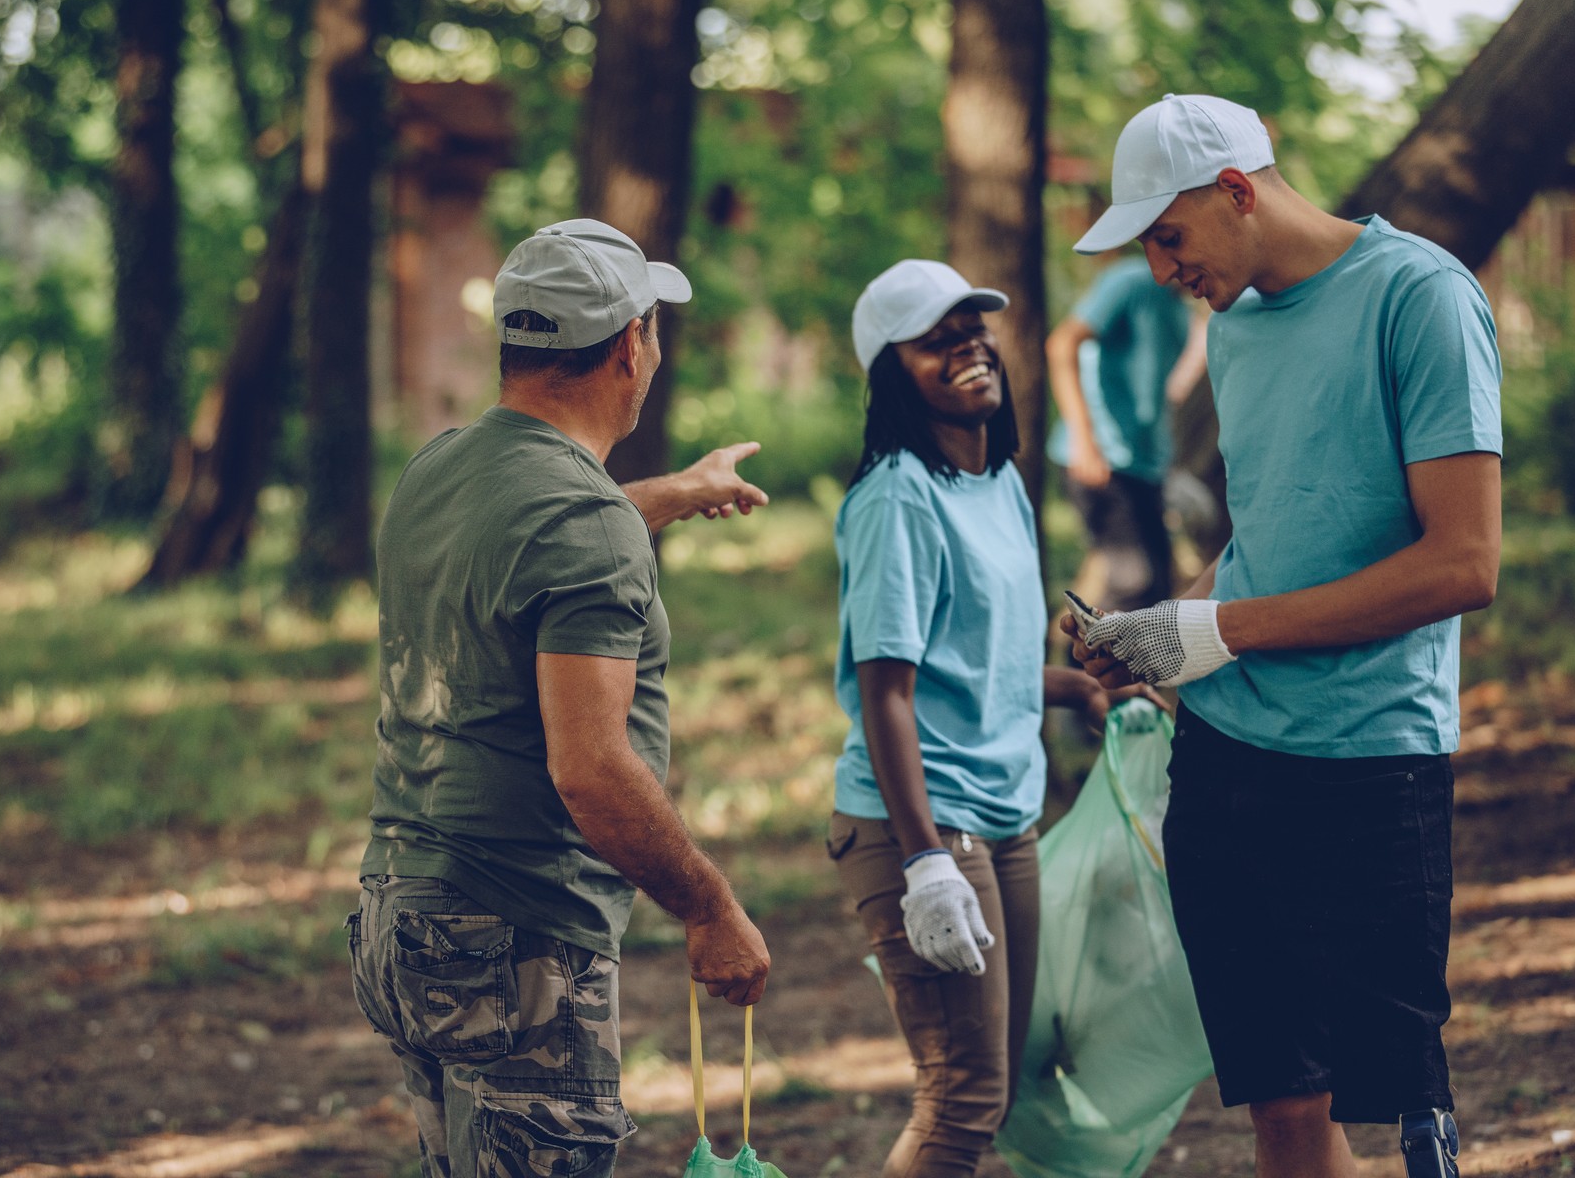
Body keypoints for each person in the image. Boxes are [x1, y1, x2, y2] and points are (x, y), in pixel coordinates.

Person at [1064, 94, 1502, 1178]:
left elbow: (1464, 562)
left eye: (1167, 236)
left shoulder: (1422, 298)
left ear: (1237, 190)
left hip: (1368, 762)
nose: (1162, 271)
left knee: (1409, 1116)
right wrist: (1165, 633)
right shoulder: (1239, 328)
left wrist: (1226, 626)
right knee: (1279, 1106)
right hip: (1225, 763)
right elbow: (1273, 538)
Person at [351, 219, 774, 1178]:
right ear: (632, 344)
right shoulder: (581, 522)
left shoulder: (440, 469)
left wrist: (674, 491)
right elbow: (590, 769)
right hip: (516, 939)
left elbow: (535, 546)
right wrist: (708, 907)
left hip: (403, 919)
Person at [825, 259, 1163, 1178]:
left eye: (974, 332)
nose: (966, 349)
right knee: (964, 1094)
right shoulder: (898, 496)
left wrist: (1083, 687)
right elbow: (885, 689)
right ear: (893, 371)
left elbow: (986, 662)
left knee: (996, 1085)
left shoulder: (999, 481)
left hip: (1006, 820)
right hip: (926, 825)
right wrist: (926, 859)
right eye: (935, 339)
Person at [1045, 249, 1205, 609]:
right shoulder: (1129, 281)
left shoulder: (1183, 309)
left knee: (1159, 589)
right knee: (1133, 582)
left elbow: (1156, 394)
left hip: (1146, 467)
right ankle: (1080, 664)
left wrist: (1170, 468)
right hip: (1099, 461)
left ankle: (1085, 656)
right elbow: (1061, 345)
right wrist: (1085, 441)